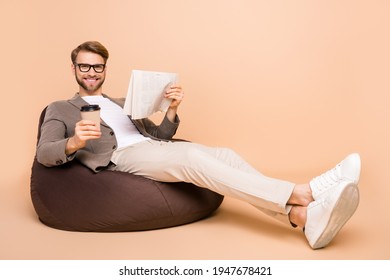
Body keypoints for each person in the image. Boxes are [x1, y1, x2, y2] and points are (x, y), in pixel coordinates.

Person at [37, 41, 361, 249]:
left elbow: (161, 137)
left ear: (105, 69)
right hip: (121, 158)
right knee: (191, 155)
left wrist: (172, 109)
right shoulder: (60, 108)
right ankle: (303, 193)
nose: (91, 72)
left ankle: (301, 218)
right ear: (74, 69)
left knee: (225, 155)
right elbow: (44, 152)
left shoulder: (121, 102)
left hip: (152, 148)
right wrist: (74, 142)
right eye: (84, 66)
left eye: (97, 66)